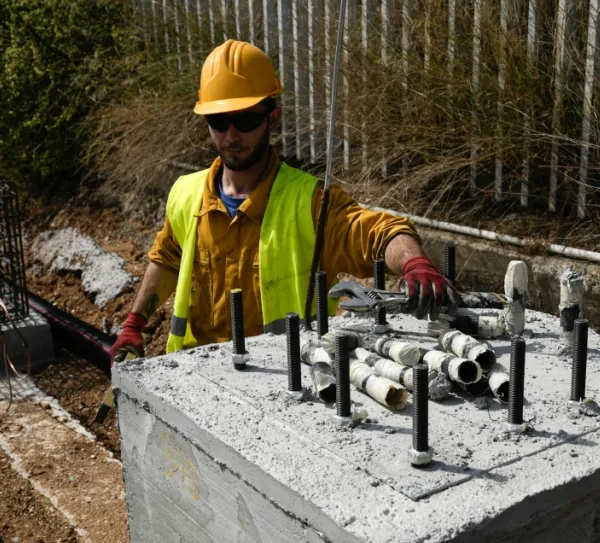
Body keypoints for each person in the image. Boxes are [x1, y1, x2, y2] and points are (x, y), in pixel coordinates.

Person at [109, 39, 456, 361]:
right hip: (197, 375)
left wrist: (414, 263)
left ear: (271, 119)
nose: (231, 135)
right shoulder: (185, 193)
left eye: (246, 120)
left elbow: (380, 232)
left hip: (286, 382)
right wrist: (134, 324)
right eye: (218, 121)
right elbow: (168, 259)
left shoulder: (308, 202)